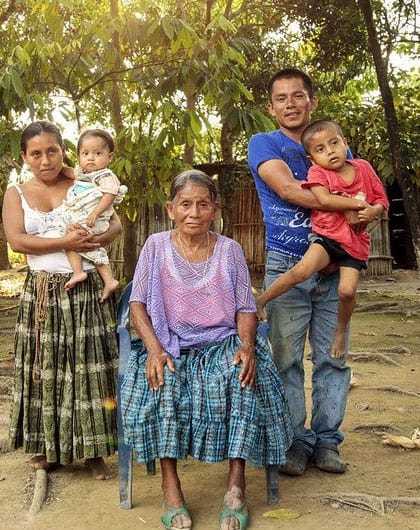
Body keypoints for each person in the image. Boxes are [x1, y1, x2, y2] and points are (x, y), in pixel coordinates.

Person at [120, 170, 289, 530]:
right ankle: (171, 488)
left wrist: (246, 347)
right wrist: (153, 349)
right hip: (170, 345)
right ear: (171, 209)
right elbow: (137, 305)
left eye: (202, 204)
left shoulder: (230, 249)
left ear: (215, 209)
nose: (193, 212)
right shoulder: (155, 245)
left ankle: (236, 486)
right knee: (162, 382)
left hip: (222, 343)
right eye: (185, 204)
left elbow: (245, 307)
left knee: (240, 378)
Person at [247, 68, 356, 476]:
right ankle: (294, 441)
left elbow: (368, 199)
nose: (290, 104)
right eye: (281, 98)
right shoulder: (264, 143)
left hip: (337, 265)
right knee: (285, 360)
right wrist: (346, 200)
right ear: (271, 106)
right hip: (287, 264)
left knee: (333, 358)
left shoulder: (333, 145)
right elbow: (289, 190)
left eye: (298, 96)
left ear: (313, 101)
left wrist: (368, 207)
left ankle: (327, 443)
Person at [3, 120, 119, 481]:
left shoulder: (85, 182)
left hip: (85, 291)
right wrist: (64, 244)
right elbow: (17, 241)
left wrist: (94, 242)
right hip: (42, 293)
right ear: (24, 157)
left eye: (52, 151)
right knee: (45, 369)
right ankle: (47, 447)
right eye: (35, 153)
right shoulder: (17, 192)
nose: (45, 160)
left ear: (63, 151)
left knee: (88, 367)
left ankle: (93, 450)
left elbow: (116, 226)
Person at [255, 119, 389, 358]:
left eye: (334, 144)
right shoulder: (317, 173)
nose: (330, 151)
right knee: (302, 270)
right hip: (328, 236)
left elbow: (381, 198)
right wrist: (359, 204)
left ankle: (340, 331)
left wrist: (375, 210)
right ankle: (261, 300)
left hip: (354, 244)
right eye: (320, 150)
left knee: (347, 292)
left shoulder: (364, 168)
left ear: (345, 144)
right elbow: (325, 200)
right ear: (312, 159)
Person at [63, 128, 127, 302]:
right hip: (84, 217)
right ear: (79, 157)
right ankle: (101, 278)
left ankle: (86, 274)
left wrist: (95, 212)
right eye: (85, 153)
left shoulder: (105, 175)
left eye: (97, 153)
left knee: (78, 242)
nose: (90, 158)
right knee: (80, 243)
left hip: (95, 218)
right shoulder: (83, 174)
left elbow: (109, 195)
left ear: (110, 157)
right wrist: (56, 167)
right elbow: (67, 171)